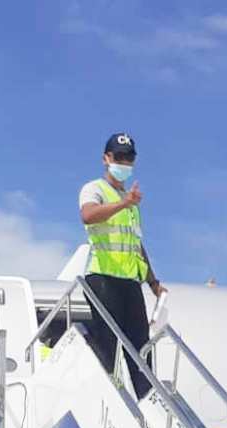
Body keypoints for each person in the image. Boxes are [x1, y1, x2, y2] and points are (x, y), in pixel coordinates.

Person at [79, 132, 166, 400]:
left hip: (129, 281)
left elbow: (137, 245)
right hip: (102, 277)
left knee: (140, 345)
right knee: (108, 342)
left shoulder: (131, 204)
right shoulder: (95, 189)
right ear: (106, 158)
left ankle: (146, 401)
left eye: (129, 158)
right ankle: (106, 398)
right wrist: (123, 203)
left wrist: (153, 282)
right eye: (119, 157)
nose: (124, 162)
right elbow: (88, 215)